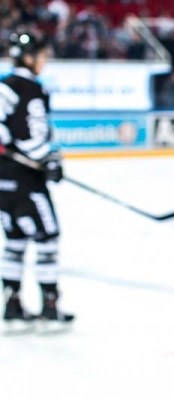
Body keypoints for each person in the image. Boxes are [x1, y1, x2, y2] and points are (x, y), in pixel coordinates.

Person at [0, 29, 74, 332]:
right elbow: (31, 134)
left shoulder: (4, 85)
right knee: (47, 236)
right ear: (29, 58)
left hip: (2, 179)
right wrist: (49, 161)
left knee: (16, 238)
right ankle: (50, 305)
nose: (44, 62)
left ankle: (12, 302)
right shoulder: (30, 88)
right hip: (25, 179)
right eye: (42, 56)